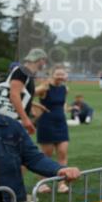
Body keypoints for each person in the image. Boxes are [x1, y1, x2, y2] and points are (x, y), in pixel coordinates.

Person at [0, 48, 47, 136]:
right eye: (44, 60)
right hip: (8, 121)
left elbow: (23, 95)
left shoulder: (26, 74)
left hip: (9, 121)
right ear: (40, 60)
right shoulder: (22, 71)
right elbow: (14, 95)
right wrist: (25, 119)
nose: (45, 64)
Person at [35, 66, 71, 194]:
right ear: (52, 74)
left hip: (61, 123)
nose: (60, 76)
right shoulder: (45, 87)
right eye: (58, 74)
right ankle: (42, 184)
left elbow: (62, 103)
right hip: (46, 124)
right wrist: (36, 106)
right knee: (46, 155)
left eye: (62, 74)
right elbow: (26, 95)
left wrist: (64, 110)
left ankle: (61, 184)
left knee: (62, 153)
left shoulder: (65, 88)